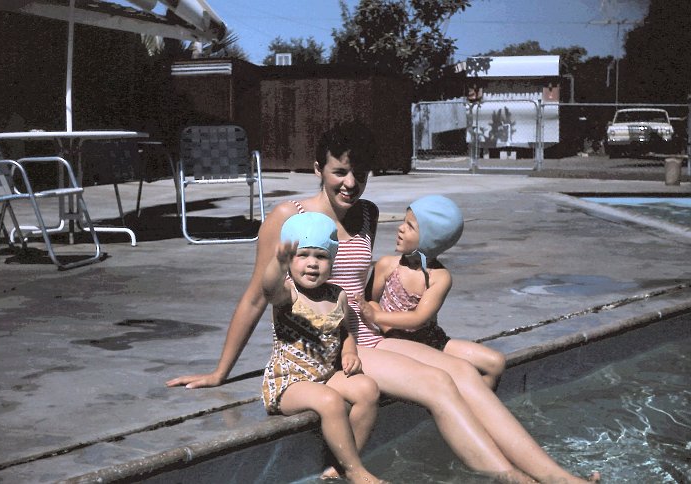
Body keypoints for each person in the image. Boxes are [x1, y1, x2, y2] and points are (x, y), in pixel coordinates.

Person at [167, 120, 599, 483]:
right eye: (339, 172)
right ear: (318, 168)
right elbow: (254, 299)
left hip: (368, 335)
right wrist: (219, 372)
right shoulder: (288, 217)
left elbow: (362, 286)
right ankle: (512, 480)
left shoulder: (368, 214)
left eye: (360, 173)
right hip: (333, 351)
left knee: (465, 373)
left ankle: (558, 477)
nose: (350, 183)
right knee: (437, 385)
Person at [260, 212, 383, 484]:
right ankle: (354, 470)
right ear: (289, 262)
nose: (312, 264)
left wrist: (350, 351)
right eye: (302, 255)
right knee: (330, 402)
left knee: (368, 389)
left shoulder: (336, 294)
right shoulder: (289, 294)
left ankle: (340, 466)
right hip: (289, 383)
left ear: (332, 260)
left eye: (321, 256)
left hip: (325, 375)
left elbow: (344, 330)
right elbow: (268, 290)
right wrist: (277, 266)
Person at [356, 194, 506, 389]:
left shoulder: (439, 277)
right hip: (394, 339)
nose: (400, 228)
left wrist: (376, 315)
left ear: (431, 239)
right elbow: (371, 300)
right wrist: (382, 324)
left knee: (496, 363)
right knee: (456, 371)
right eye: (404, 222)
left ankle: (479, 402)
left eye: (410, 226)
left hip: (431, 339)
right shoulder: (387, 265)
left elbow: (419, 318)